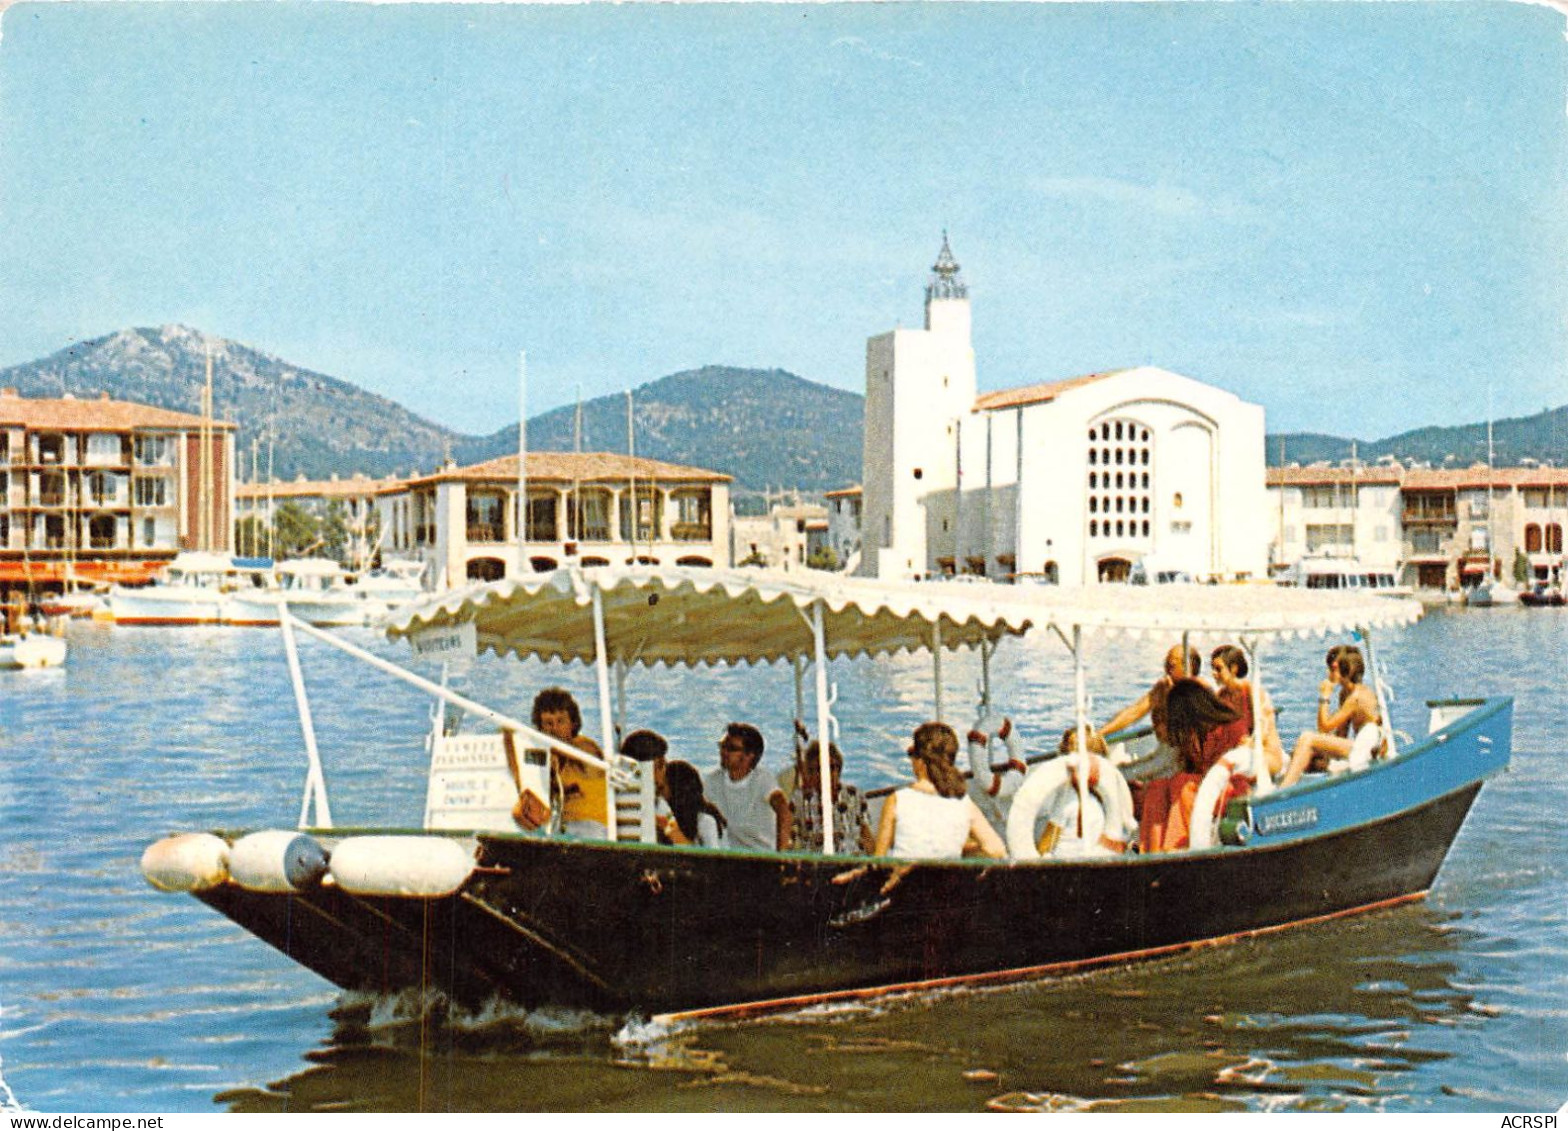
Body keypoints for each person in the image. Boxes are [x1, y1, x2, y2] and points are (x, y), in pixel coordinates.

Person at [873, 722, 1007, 860]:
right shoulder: (963, 803)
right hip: (947, 880)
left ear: (920, 761)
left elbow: (879, 861)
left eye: (912, 754)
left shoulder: (897, 800)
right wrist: (960, 847)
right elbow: (996, 850)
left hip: (907, 880)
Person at [1137, 680, 1241, 853]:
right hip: (1201, 787)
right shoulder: (1194, 737)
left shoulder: (1231, 728)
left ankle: (1179, 846)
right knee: (1158, 787)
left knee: (1183, 784)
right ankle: (1151, 851)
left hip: (1231, 791)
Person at [1280, 648, 1382, 787]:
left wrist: (1325, 696)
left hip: (1365, 749)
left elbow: (1324, 726)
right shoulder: (1345, 693)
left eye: (1332, 669)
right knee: (1304, 750)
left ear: (1347, 670)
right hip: (1355, 746)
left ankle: (1284, 788)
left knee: (1307, 738)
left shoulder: (1357, 696)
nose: (1328, 674)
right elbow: (1341, 734)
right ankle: (1291, 783)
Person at [532, 688, 607, 839]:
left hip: (593, 829)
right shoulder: (554, 761)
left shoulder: (584, 746)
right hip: (565, 831)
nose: (554, 729)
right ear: (541, 728)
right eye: (548, 723)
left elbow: (583, 755)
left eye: (560, 721)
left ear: (573, 723)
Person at [704, 722, 791, 851]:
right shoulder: (712, 781)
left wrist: (781, 857)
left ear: (750, 755)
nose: (723, 752)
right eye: (722, 746)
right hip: (727, 858)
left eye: (731, 748)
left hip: (761, 858)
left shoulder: (763, 780)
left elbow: (783, 810)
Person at [1100, 644, 1204, 744]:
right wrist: (1100, 733)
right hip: (1165, 750)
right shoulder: (1161, 688)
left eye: (1171, 664)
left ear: (1188, 667)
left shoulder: (1198, 692)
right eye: (1166, 663)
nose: (1167, 669)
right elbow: (1134, 712)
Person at [1209, 645, 1286, 778]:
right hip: (1238, 755)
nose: (1214, 673)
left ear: (1233, 669)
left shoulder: (1251, 691)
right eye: (1213, 669)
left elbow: (1264, 726)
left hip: (1265, 753)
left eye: (1218, 669)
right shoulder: (1220, 697)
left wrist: (1251, 742)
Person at [789, 740, 873, 855]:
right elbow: (789, 834)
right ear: (811, 773)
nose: (827, 774)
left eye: (832, 767)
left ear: (839, 770)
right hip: (816, 863)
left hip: (852, 860)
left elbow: (866, 834)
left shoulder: (854, 795)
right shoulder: (800, 799)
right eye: (820, 769)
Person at [661, 760, 727, 847]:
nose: (662, 791)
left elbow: (714, 857)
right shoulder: (677, 819)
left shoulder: (706, 821)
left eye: (665, 784)